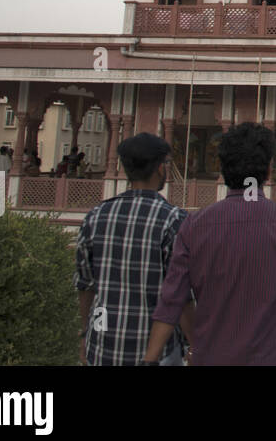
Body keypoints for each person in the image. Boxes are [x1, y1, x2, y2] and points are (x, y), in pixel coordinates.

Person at [143, 122, 276, 365]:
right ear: (269, 170)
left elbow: (172, 300)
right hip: (265, 357)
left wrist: (150, 359)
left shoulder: (195, 225)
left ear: (222, 167)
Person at [74, 133, 191, 366]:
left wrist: (83, 334)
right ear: (160, 168)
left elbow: (85, 286)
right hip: (155, 351)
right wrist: (196, 343)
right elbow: (179, 295)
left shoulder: (95, 217)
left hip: (103, 346)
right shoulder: (173, 219)